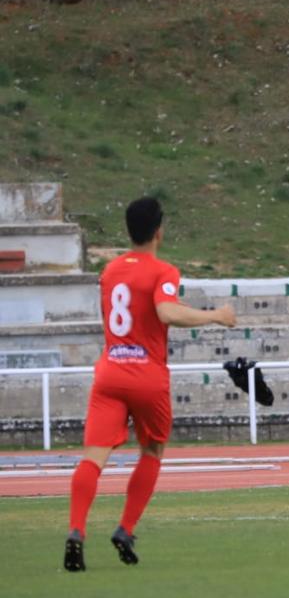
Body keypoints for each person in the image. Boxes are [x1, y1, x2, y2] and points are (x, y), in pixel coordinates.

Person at [63, 197, 236, 572]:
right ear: (160, 231)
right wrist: (216, 316)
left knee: (94, 457)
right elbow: (166, 311)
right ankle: (125, 529)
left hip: (109, 372)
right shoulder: (163, 271)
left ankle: (76, 530)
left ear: (129, 230)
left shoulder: (109, 272)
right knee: (153, 450)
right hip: (146, 376)